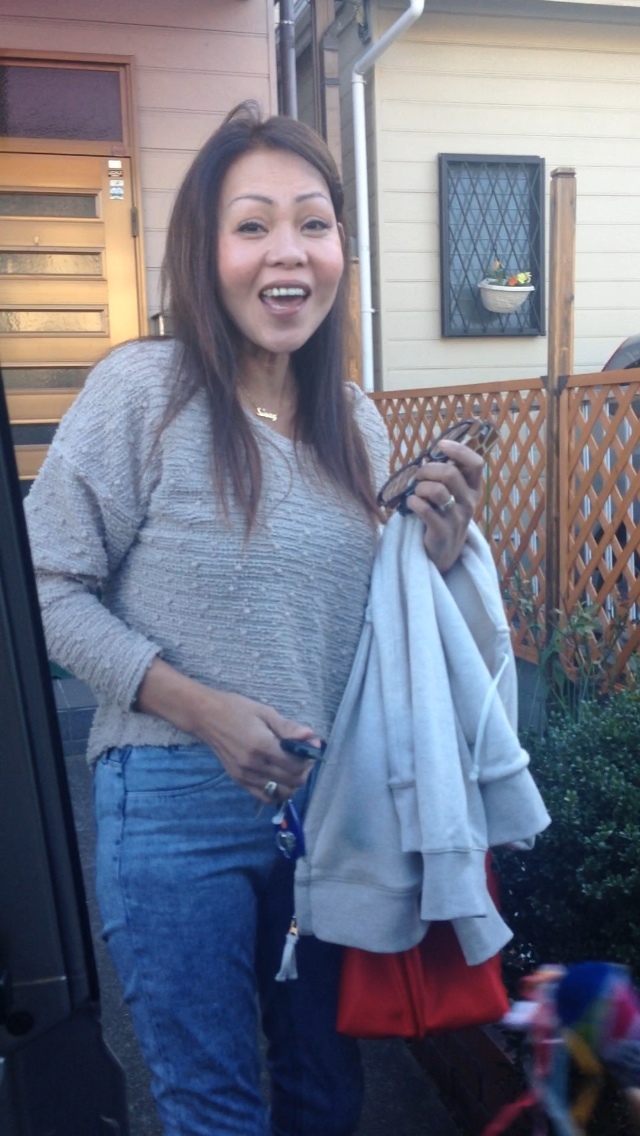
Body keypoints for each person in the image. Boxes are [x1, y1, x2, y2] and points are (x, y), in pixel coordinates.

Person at [25, 102, 484, 1136]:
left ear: (340, 251)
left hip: (330, 809)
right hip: (171, 802)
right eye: (253, 225)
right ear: (207, 251)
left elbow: (367, 620)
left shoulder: (353, 420)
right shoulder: (143, 390)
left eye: (313, 223)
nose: (288, 251)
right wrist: (203, 708)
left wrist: (440, 552)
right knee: (215, 1108)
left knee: (329, 1093)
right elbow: (45, 587)